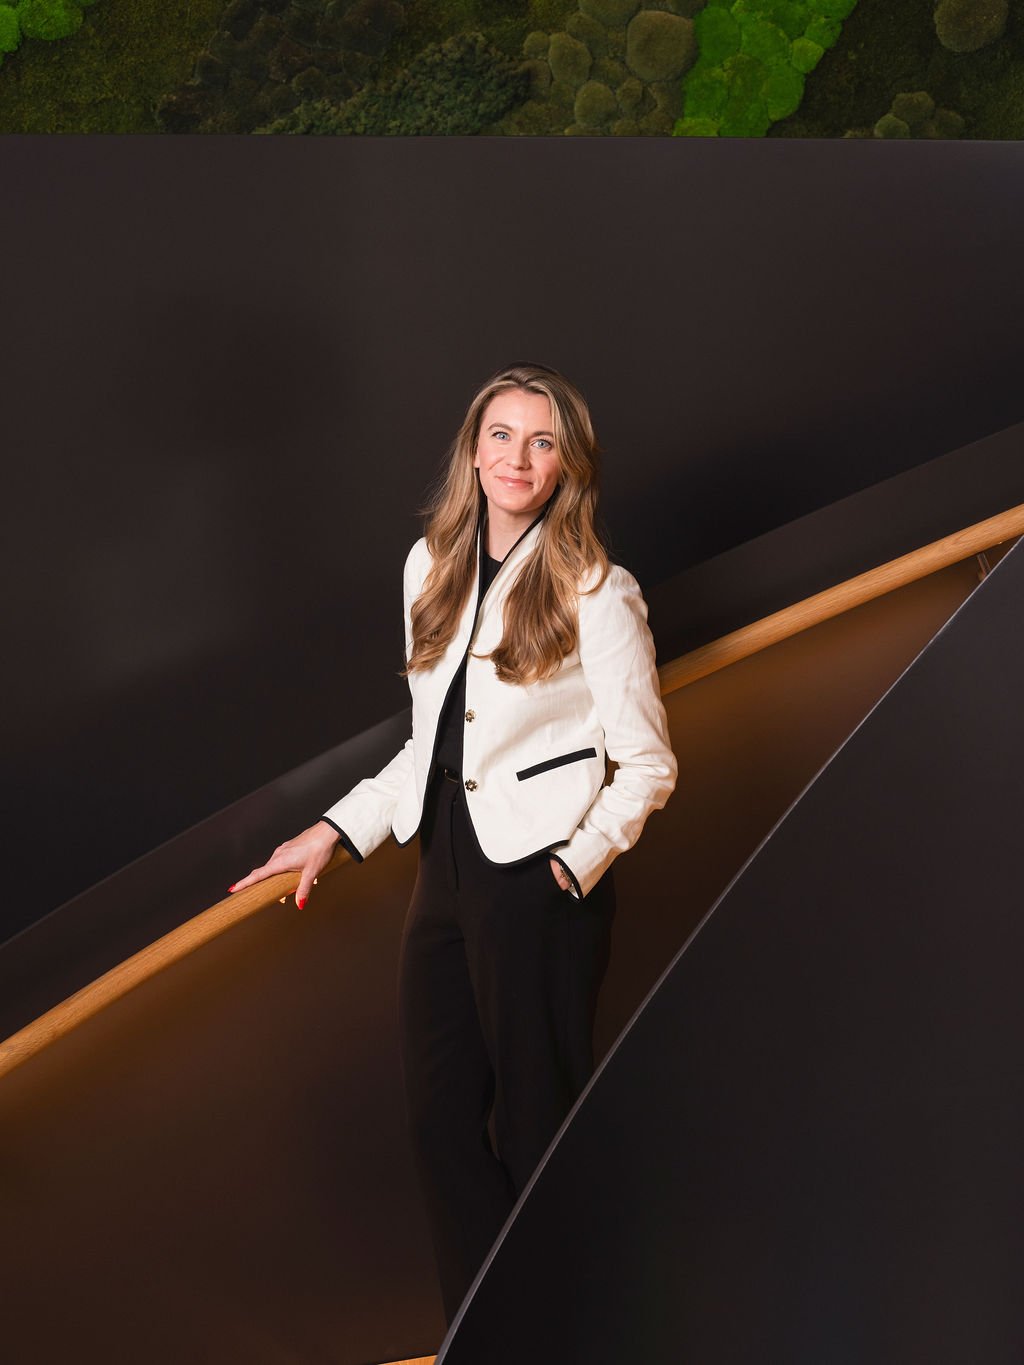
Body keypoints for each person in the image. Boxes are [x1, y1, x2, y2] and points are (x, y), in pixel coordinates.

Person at [228, 361, 678, 1323]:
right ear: (474, 453)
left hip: (540, 883)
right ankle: (494, 1338)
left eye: (543, 440)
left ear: (566, 466)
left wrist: (575, 860)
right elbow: (430, 741)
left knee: (538, 1129)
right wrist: (333, 831)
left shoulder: (600, 591)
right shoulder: (426, 567)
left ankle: (573, 1341)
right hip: (446, 875)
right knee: (439, 1126)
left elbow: (647, 764)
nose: (519, 457)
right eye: (502, 436)